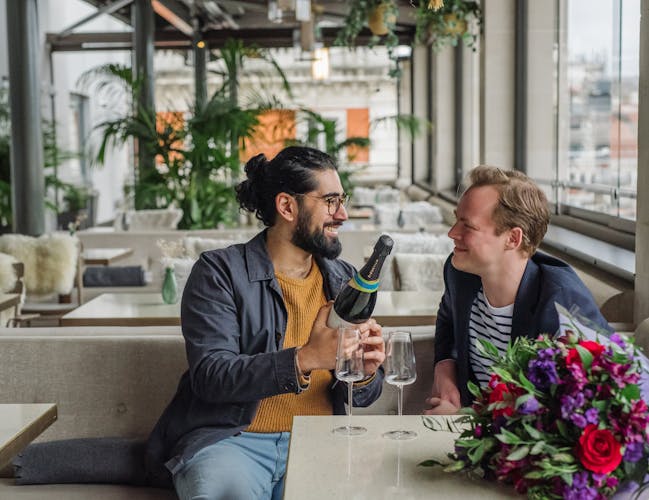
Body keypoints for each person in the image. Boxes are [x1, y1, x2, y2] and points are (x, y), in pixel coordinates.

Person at [144, 146, 385, 499]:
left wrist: (363, 373)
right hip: (232, 443)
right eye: (330, 201)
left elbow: (362, 395)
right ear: (287, 206)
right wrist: (304, 359)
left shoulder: (345, 279)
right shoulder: (219, 272)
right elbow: (211, 375)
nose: (343, 214)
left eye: (342, 200)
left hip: (319, 443)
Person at [424, 166, 611, 415]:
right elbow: (447, 318)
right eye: (456, 219)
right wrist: (445, 365)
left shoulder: (560, 301)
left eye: (467, 226)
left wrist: (461, 420)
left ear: (513, 238)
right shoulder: (459, 273)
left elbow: (588, 405)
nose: (452, 233)